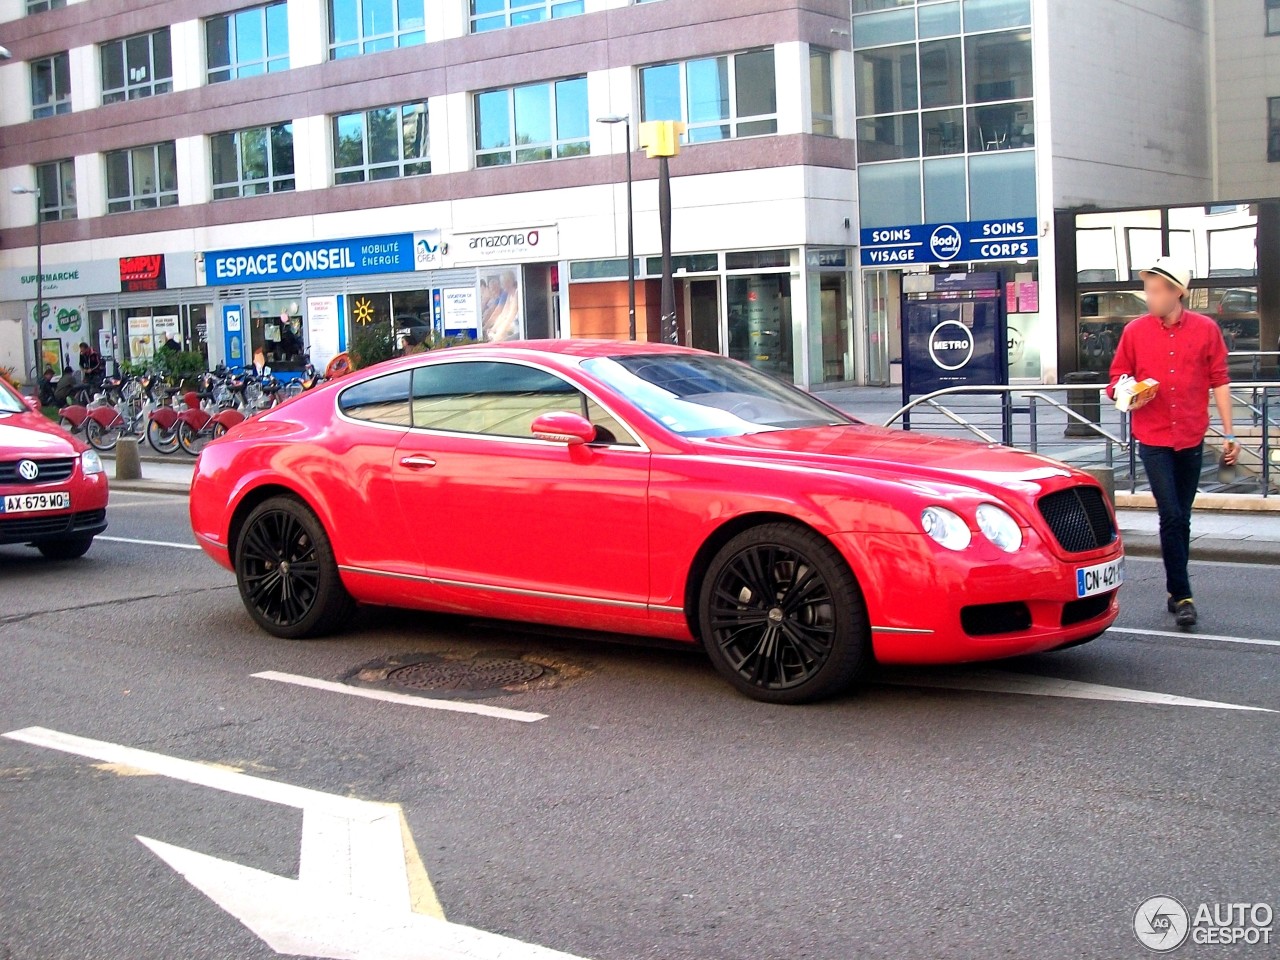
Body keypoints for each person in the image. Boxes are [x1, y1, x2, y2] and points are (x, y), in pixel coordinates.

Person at [1107, 256, 1237, 628]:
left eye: (1154, 291)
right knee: (1172, 514)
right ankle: (1182, 594)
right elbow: (1115, 379)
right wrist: (1129, 391)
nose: (1148, 297)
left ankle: (1174, 587)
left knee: (1183, 515)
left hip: (1191, 435)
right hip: (1153, 436)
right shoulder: (1135, 332)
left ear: (1176, 292)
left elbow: (1220, 380)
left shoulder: (1206, 329)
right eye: (1147, 290)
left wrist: (1229, 434)